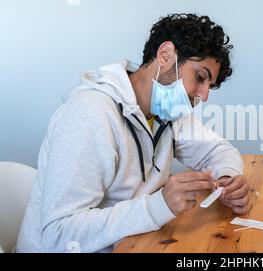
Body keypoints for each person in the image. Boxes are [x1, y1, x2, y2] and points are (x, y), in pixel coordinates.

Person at [17, 13, 250, 253]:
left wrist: (227, 178)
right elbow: (59, 234)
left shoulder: (167, 110)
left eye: (208, 86)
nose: (204, 95)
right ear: (166, 55)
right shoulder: (89, 115)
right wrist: (158, 206)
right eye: (200, 77)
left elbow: (217, 150)